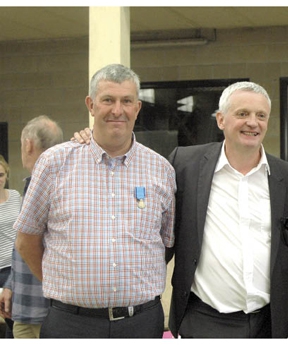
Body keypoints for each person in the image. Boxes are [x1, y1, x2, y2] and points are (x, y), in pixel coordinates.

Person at [13, 64, 176, 338]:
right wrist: (64, 285)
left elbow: (166, 242)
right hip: (71, 323)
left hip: (141, 323)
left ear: (137, 108)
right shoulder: (54, 163)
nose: (117, 110)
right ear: (91, 105)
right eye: (108, 100)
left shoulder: (161, 169)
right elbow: (26, 240)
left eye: (126, 101)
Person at [167, 81, 288, 338]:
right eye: (242, 114)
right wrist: (92, 139)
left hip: (269, 324)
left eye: (261, 116)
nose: (252, 123)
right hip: (204, 319)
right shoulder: (185, 165)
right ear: (221, 120)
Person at [0, 116, 63, 339]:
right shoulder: (33, 184)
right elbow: (21, 246)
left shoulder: (48, 185)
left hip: (44, 311)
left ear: (28, 145)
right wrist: (10, 285)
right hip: (25, 305)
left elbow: (28, 245)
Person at [0, 156, 21, 338]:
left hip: (14, 265)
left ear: (6, 175)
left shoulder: (15, 196)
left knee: (14, 319)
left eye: (0, 174)